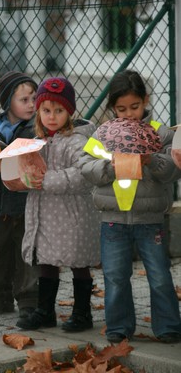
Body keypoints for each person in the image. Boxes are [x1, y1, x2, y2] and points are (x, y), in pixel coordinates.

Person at [79, 70, 181, 343]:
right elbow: (85, 165)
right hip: (112, 220)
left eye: (135, 107)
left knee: (159, 275)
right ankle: (119, 328)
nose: (129, 114)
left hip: (151, 219)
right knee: (115, 276)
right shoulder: (103, 133)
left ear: (145, 100)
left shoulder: (160, 132)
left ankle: (169, 326)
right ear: (112, 107)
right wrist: (108, 167)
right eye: (121, 109)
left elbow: (173, 170)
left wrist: (153, 161)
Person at [16, 77, 100, 332]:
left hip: (73, 215)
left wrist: (47, 180)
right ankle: (45, 311)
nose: (52, 116)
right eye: (46, 110)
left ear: (70, 112)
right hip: (45, 215)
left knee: (78, 262)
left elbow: (83, 175)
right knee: (47, 261)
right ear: (39, 112)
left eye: (59, 110)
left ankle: (82, 313)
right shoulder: (38, 141)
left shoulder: (77, 141)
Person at [0, 71, 39, 318]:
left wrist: (3, 164)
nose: (32, 105)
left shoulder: (34, 129)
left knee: (25, 254)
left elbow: (33, 162)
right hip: (0, 204)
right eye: (24, 100)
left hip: (25, 204)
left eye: (33, 98)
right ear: (7, 102)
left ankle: (28, 301)